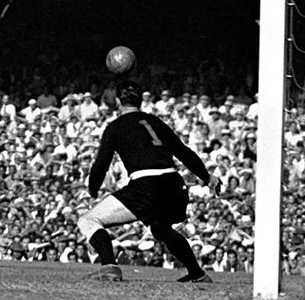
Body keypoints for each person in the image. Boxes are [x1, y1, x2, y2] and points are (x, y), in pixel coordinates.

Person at [77, 78, 218, 283]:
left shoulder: (115, 127)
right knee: (160, 228)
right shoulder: (155, 121)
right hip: (175, 185)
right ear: (140, 101)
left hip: (147, 185)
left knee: (88, 219)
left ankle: (109, 266)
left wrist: (92, 188)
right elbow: (183, 152)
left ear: (118, 101)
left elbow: (101, 164)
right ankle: (197, 273)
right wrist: (208, 178)